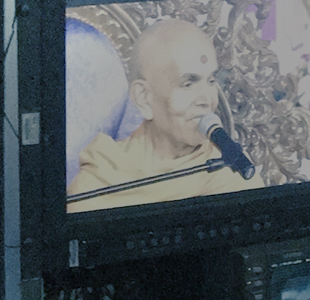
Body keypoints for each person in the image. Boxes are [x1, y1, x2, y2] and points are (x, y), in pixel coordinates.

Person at [68, 16, 249, 210]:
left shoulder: (230, 168)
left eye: (211, 81)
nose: (207, 100)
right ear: (144, 97)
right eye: (188, 84)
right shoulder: (101, 180)